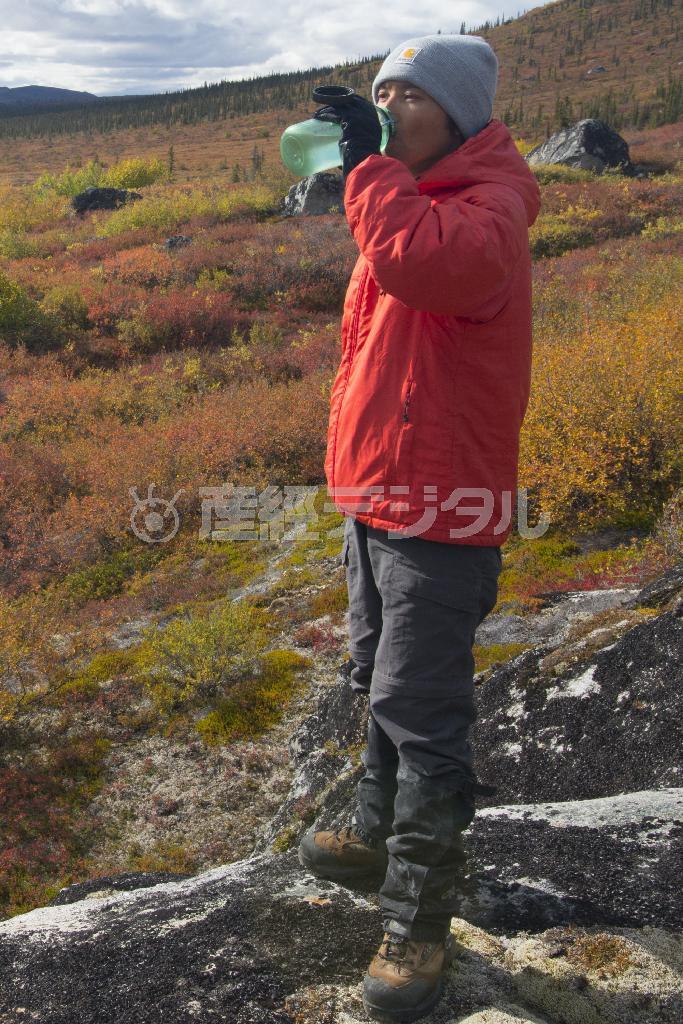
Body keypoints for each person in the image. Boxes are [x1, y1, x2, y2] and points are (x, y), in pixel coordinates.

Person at [298, 33, 542, 1023]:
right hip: (379, 494)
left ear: (456, 112)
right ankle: (369, 830)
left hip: (445, 508)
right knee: (372, 670)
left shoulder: (486, 212)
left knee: (420, 708)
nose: (389, 104)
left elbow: (422, 272)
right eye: (379, 91)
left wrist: (366, 168)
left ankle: (419, 924)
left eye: (406, 93)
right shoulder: (411, 196)